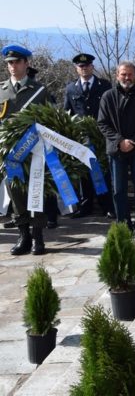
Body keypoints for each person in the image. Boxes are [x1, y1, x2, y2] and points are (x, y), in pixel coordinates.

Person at [0, 45, 50, 254]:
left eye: (17, 62)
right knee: (16, 194)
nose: (13, 66)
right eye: (9, 62)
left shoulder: (39, 91)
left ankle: (38, 237)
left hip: (34, 152)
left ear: (26, 64)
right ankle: (24, 237)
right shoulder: (1, 90)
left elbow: (49, 120)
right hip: (10, 153)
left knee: (36, 192)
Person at [97, 61, 135, 241]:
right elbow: (102, 123)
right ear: (117, 75)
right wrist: (120, 141)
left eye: (130, 74)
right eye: (123, 74)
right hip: (116, 150)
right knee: (118, 190)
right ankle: (123, 227)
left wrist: (133, 141)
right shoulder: (107, 96)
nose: (127, 78)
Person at [64, 53, 113, 218]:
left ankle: (107, 206)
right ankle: (86, 206)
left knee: (103, 172)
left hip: (101, 136)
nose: (84, 68)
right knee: (83, 173)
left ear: (92, 67)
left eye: (87, 65)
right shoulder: (71, 88)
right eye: (80, 66)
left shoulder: (104, 85)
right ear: (76, 68)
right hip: (81, 138)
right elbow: (67, 113)